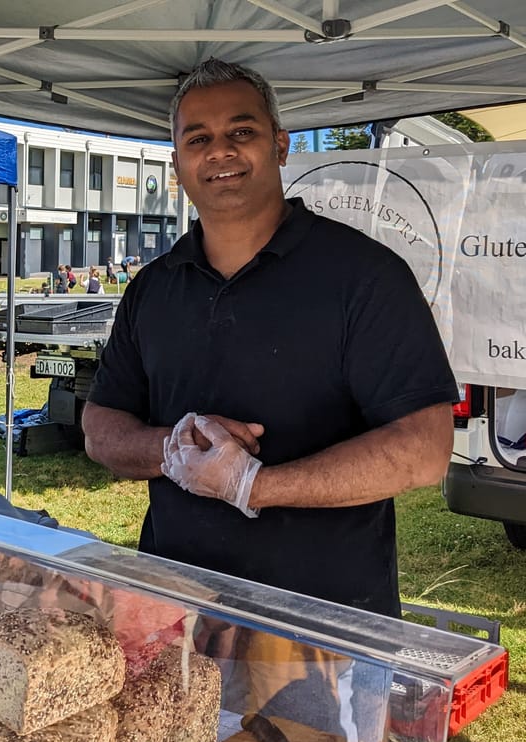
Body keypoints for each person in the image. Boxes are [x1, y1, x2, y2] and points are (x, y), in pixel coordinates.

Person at [82, 58, 456, 620]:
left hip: (327, 625)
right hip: (176, 607)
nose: (220, 151)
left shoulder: (364, 277)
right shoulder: (152, 289)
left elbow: (424, 450)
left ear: (280, 146)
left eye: (241, 132)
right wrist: (171, 448)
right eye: (198, 138)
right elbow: (100, 430)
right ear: (178, 162)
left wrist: (255, 485)